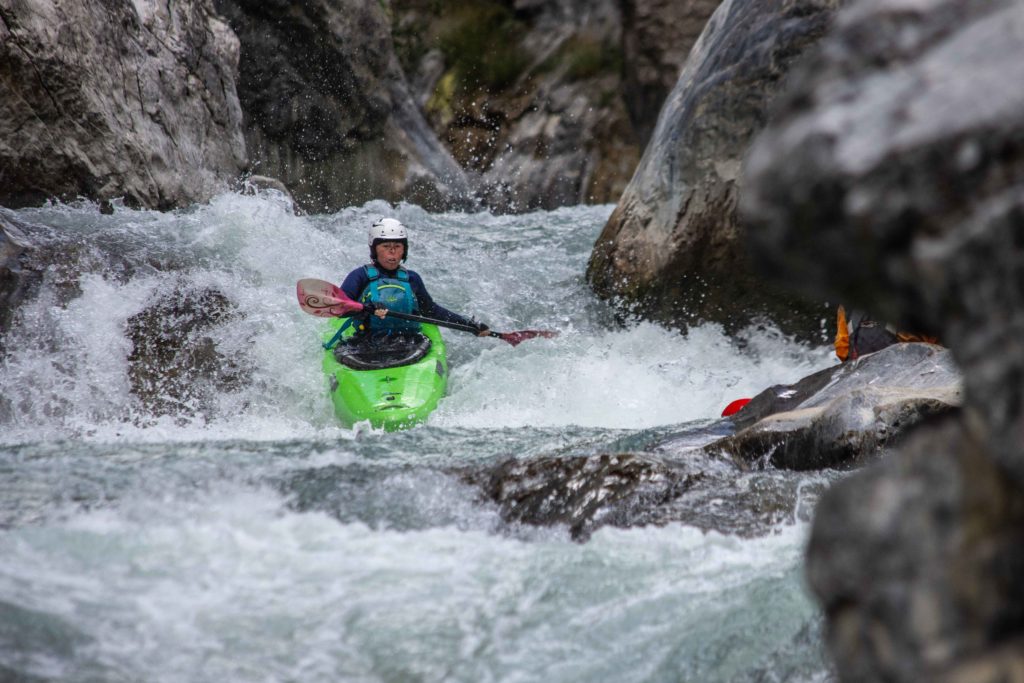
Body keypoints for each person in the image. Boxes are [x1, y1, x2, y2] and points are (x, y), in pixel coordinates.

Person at [338, 217, 489, 341]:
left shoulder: (412, 279)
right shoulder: (360, 276)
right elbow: (339, 309)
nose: (392, 252)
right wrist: (365, 308)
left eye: (397, 246)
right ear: (374, 249)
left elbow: (431, 311)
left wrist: (469, 324)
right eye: (385, 246)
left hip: (408, 341)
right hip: (367, 340)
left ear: (404, 250)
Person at [834, 305, 939, 362]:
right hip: (906, 375)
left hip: (861, 377)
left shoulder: (845, 306)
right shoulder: (907, 296)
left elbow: (841, 351)